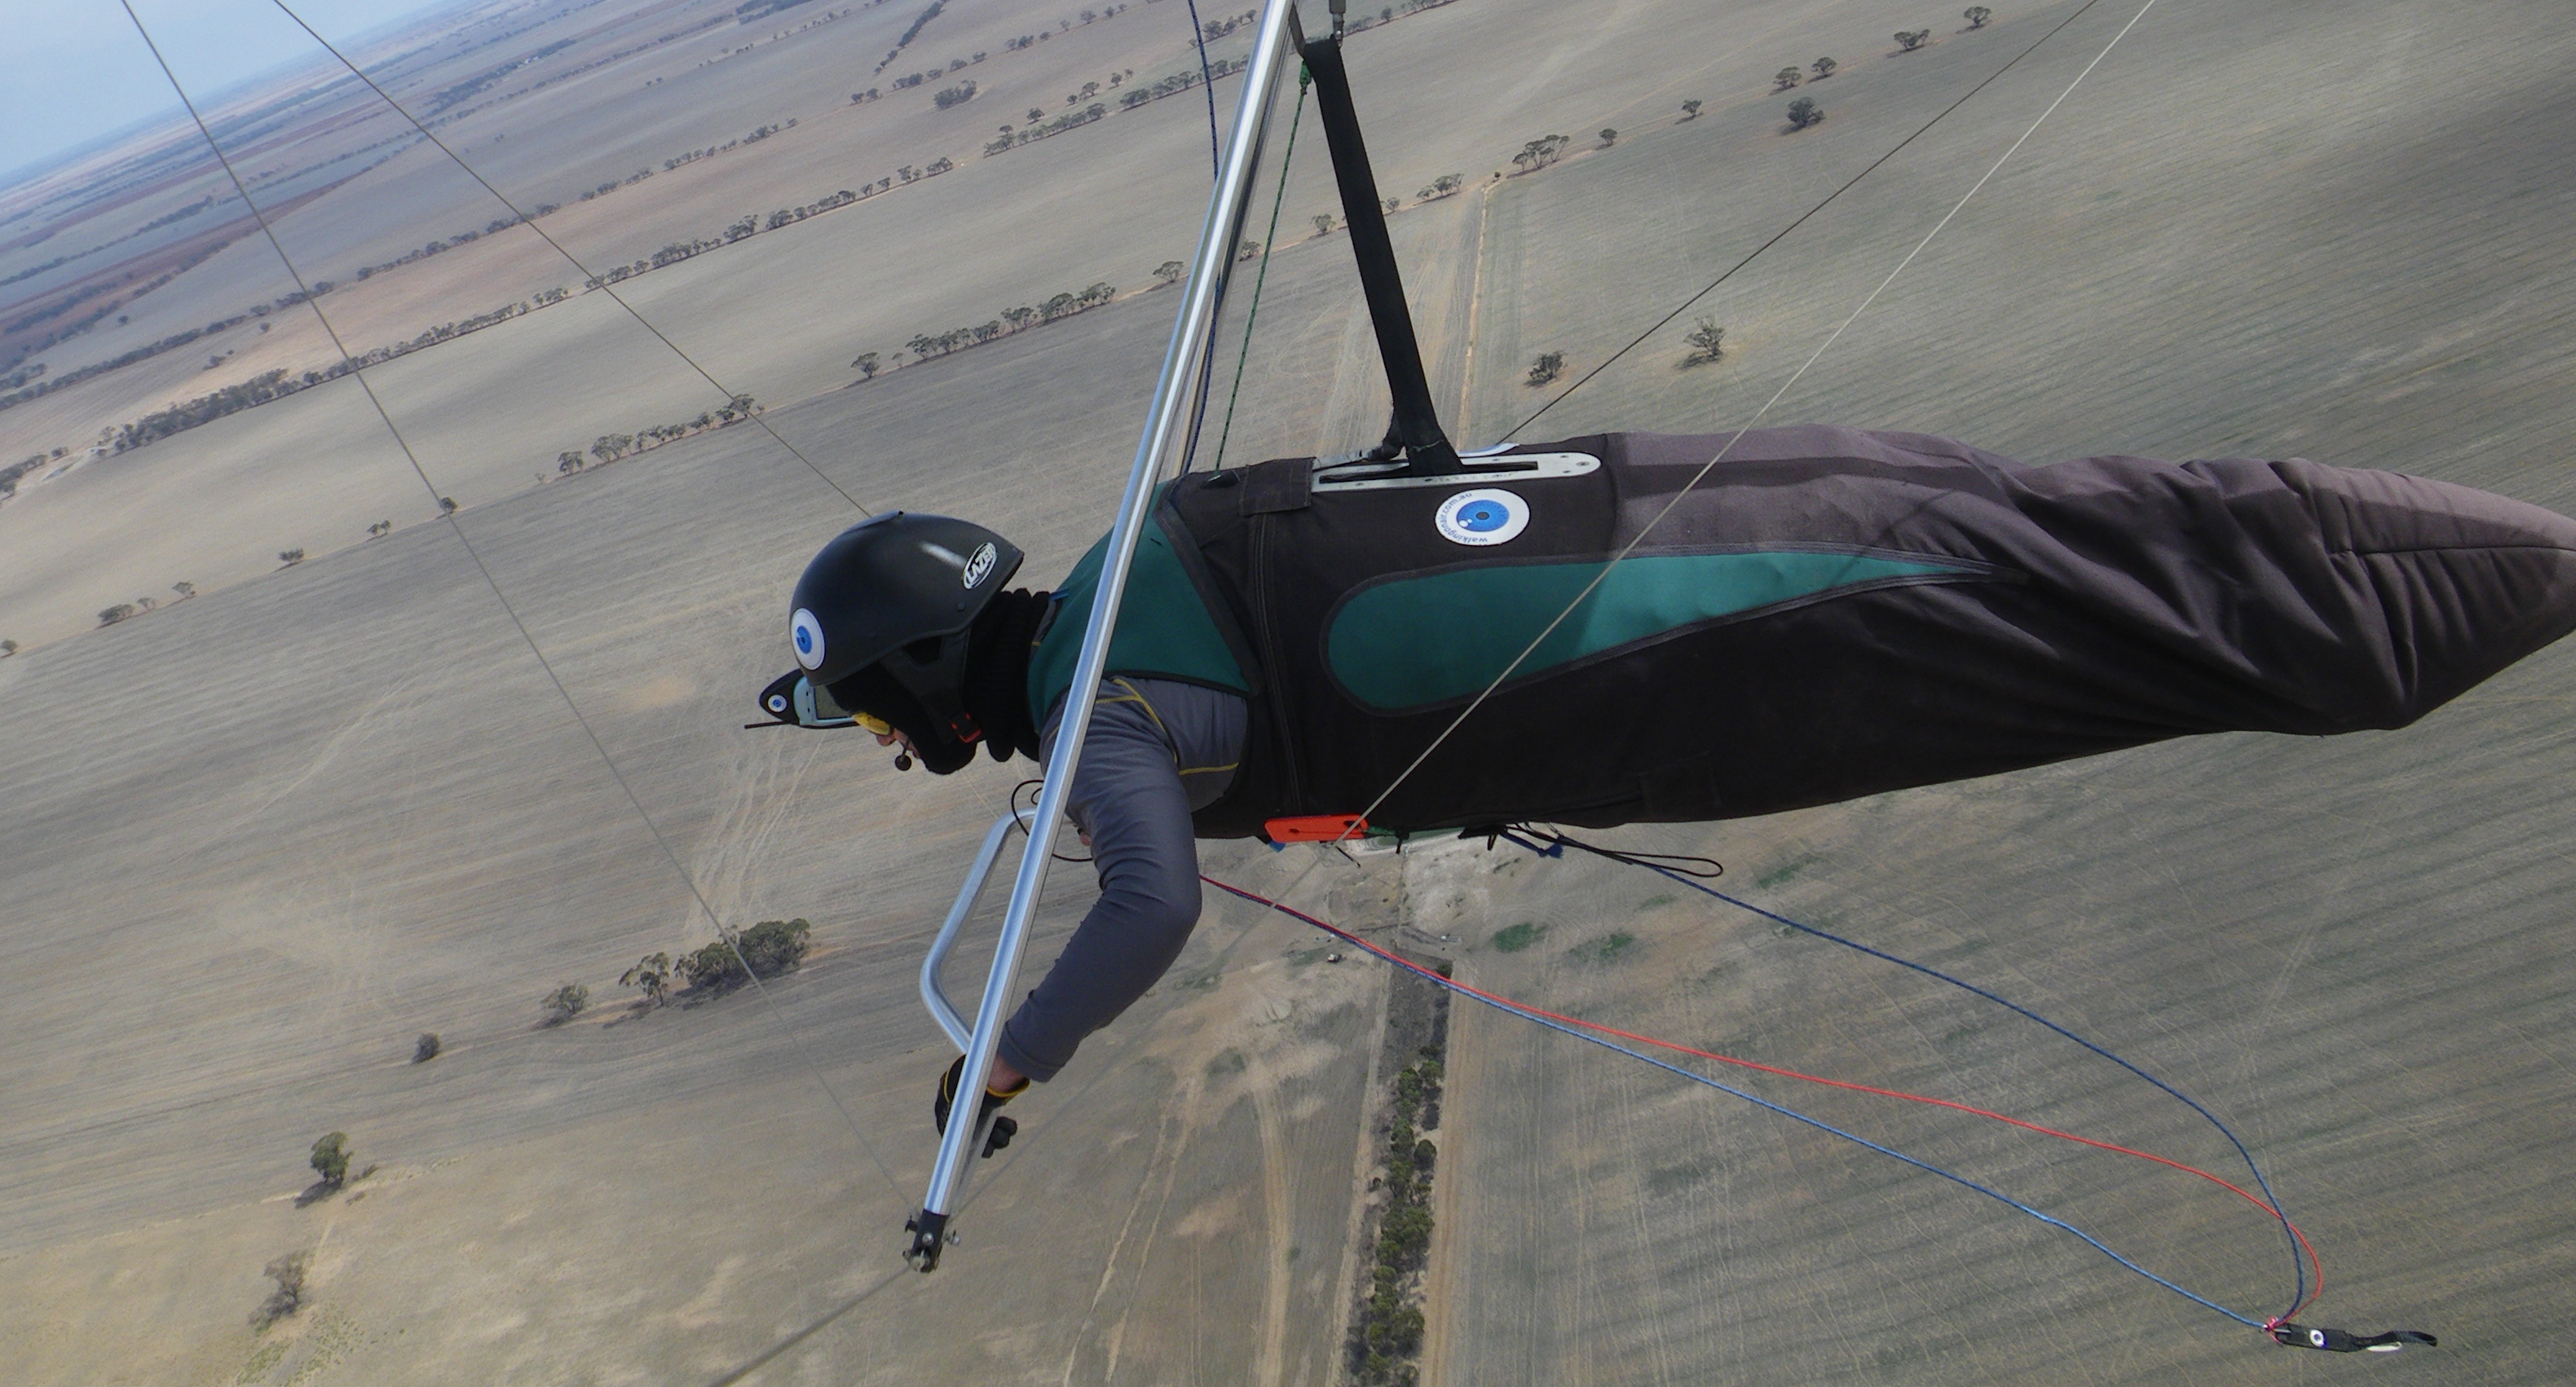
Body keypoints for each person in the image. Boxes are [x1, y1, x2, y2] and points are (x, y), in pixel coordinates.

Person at [770, 427, 2576, 1134]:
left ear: (919, 673)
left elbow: (1149, 901)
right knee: (2115, 529)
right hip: (1733, 494)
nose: (883, 743)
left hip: (1715, 642)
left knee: (2159, 627)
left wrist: (1009, 1052)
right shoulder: (1148, 542)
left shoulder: (1099, 704)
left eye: (867, 714)